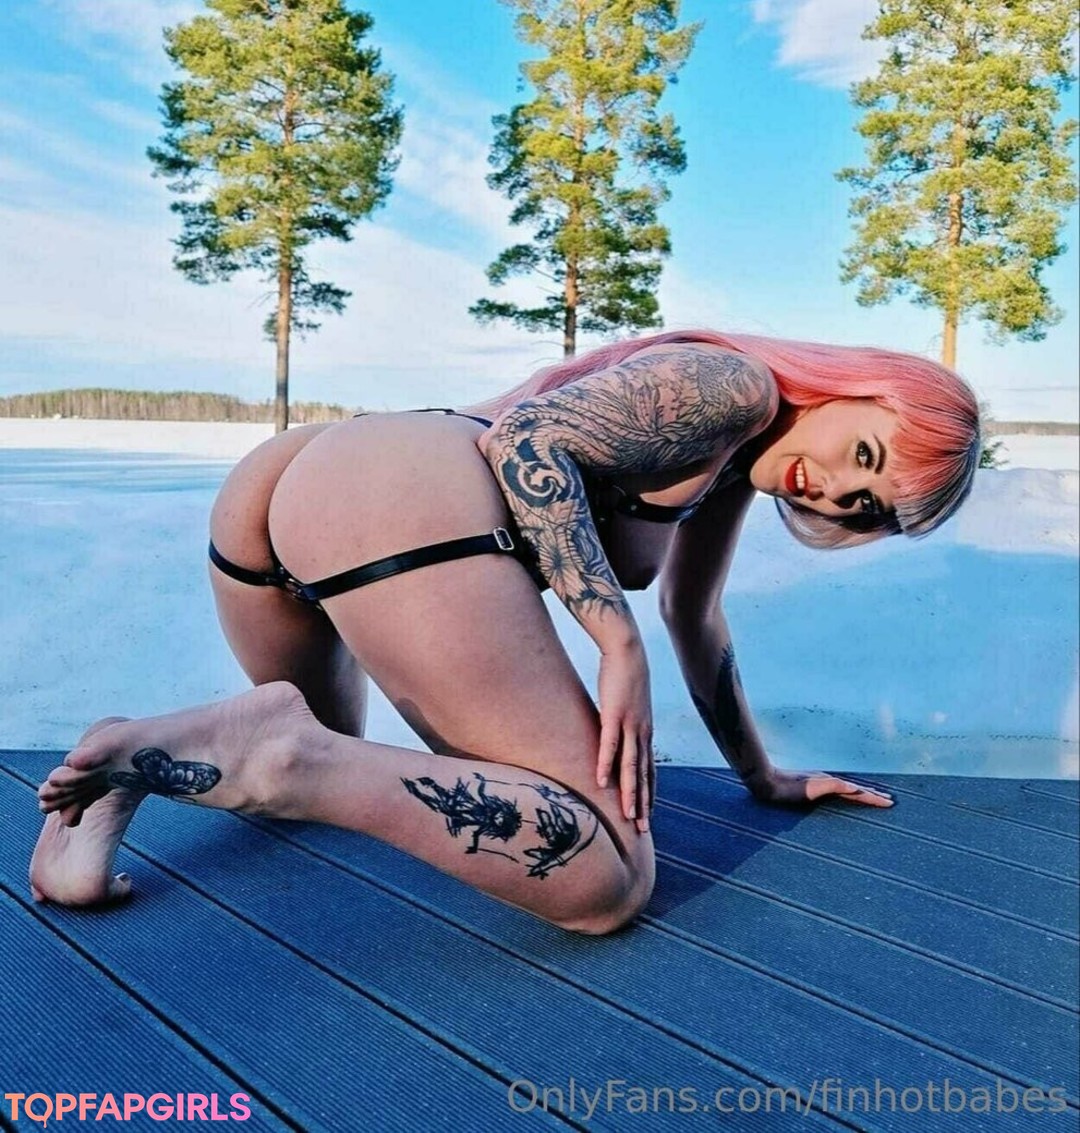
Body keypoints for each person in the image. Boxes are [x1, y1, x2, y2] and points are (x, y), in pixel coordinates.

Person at [30, 329, 980, 934]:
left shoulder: (734, 453)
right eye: (864, 453)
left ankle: (128, 772)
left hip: (304, 486)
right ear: (866, 387)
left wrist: (763, 777)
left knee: (338, 754)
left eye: (864, 505)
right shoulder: (733, 385)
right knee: (605, 879)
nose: (834, 489)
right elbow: (526, 443)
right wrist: (614, 639)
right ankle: (270, 752)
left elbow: (695, 615)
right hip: (398, 489)